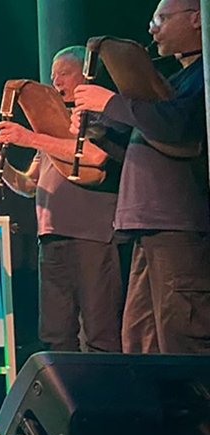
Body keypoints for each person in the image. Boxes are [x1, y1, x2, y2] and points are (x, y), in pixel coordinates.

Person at [73, 0, 210, 354]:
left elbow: (178, 128)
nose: (152, 28)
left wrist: (111, 104)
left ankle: (192, 410)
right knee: (140, 339)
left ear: (197, 19)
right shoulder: (176, 79)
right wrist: (100, 130)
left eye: (161, 18)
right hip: (149, 225)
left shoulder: (202, 76)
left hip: (178, 223)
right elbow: (145, 142)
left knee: (181, 336)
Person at [0, 46, 126, 354]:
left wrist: (28, 137)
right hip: (50, 239)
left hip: (92, 236)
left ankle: (105, 400)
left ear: (86, 75)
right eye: (52, 75)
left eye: (64, 73)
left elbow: (96, 156)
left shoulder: (99, 118)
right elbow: (30, 185)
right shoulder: (54, 129)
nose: (56, 81)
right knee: (55, 333)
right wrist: (3, 169)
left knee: (100, 331)